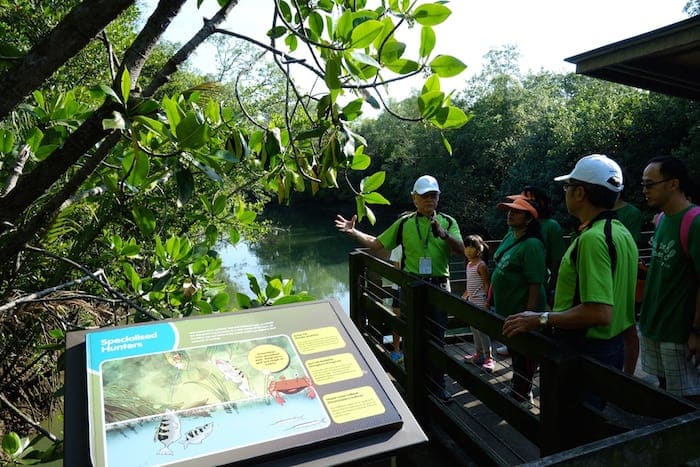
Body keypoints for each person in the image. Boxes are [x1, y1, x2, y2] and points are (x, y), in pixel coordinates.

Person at [502, 154, 638, 407]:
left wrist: (540, 318)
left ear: (579, 193)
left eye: (567, 187)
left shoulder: (593, 239)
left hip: (585, 350)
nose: (564, 193)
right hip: (611, 347)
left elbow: (599, 312)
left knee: (572, 430)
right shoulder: (621, 233)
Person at [335, 175, 464, 400]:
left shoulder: (449, 222)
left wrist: (443, 235)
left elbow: (462, 251)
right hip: (412, 286)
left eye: (433, 195)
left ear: (438, 198)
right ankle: (414, 382)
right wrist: (353, 232)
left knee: (437, 338)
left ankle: (438, 385)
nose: (429, 200)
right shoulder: (405, 223)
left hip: (439, 287)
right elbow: (377, 244)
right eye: (424, 196)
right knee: (411, 335)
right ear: (414, 199)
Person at [638, 156, 700, 402]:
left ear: (673, 184)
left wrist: (696, 331)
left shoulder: (694, 221)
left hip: (679, 333)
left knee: (688, 402)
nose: (644, 190)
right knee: (666, 396)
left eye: (650, 184)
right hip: (653, 327)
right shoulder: (663, 219)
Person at [491, 197, 547, 404]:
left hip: (522, 310)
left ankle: (523, 392)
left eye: (516, 212)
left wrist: (529, 315)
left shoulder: (532, 245)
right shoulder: (510, 236)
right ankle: (519, 386)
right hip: (507, 308)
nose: (510, 214)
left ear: (529, 219)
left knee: (525, 353)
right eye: (509, 211)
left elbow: (535, 282)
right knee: (515, 352)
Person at [613, 187, 642, 375]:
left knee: (627, 326)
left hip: (622, 276)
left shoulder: (631, 213)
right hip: (603, 277)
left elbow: (630, 244)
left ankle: (627, 375)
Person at [461, 234, 494, 372]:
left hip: (481, 302)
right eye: (466, 247)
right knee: (474, 329)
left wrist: (487, 302)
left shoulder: (481, 265)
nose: (468, 250)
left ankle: (489, 358)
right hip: (471, 302)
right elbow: (470, 285)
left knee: (482, 331)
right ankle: (479, 354)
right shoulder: (469, 265)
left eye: (472, 247)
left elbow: (487, 285)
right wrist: (464, 297)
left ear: (479, 249)